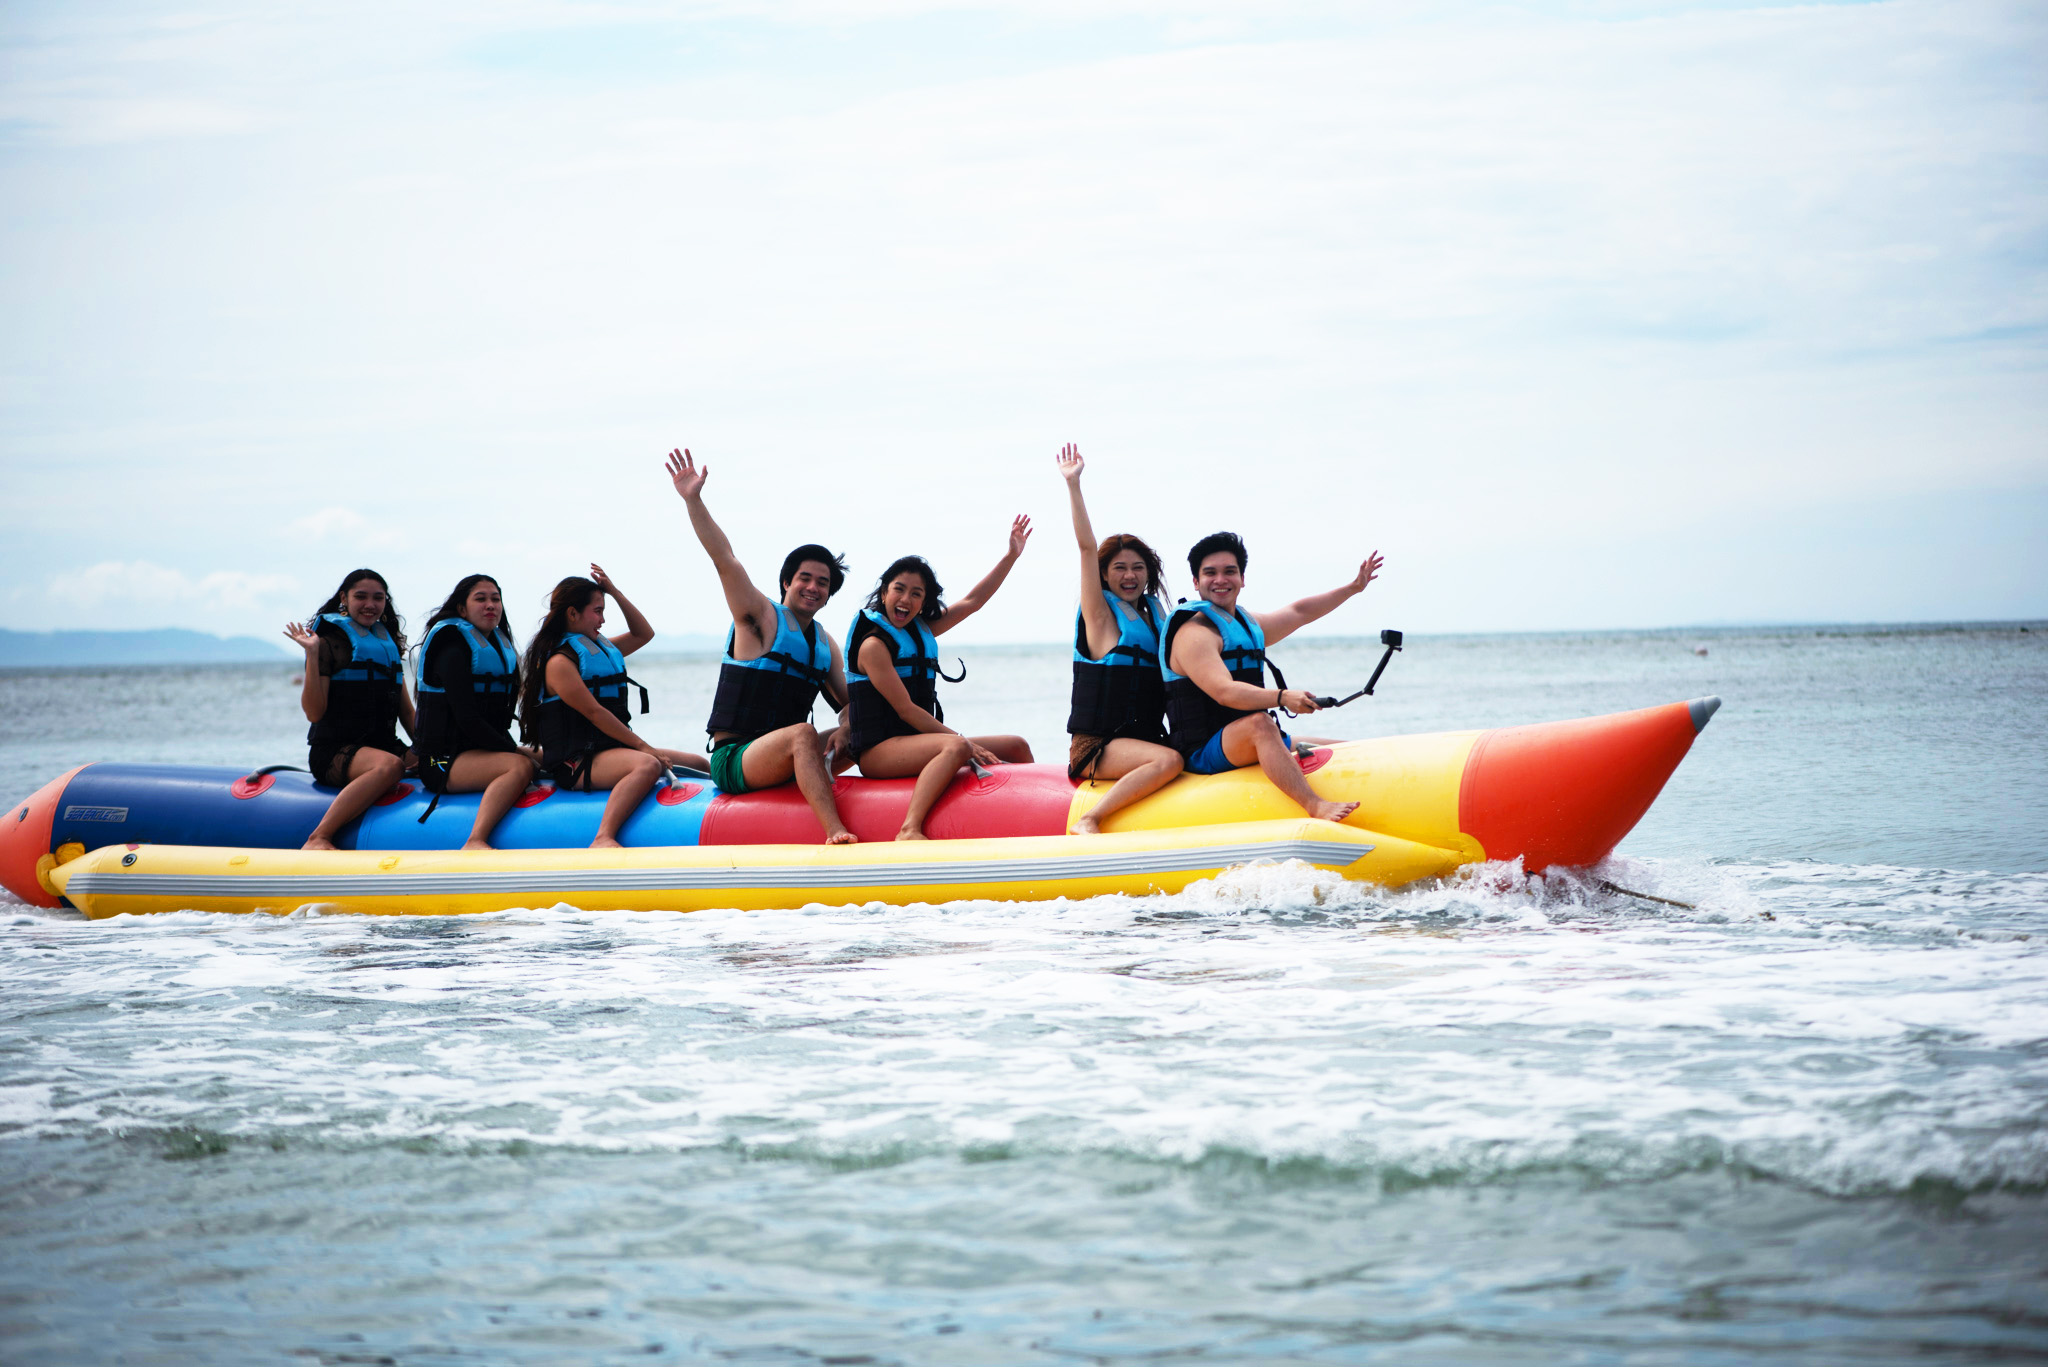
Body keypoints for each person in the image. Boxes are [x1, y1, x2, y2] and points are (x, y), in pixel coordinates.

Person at [665, 447, 857, 844]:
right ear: (786, 582)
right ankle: (834, 831)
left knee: (865, 731)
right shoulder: (759, 618)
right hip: (736, 758)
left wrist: (848, 725)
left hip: (784, 758)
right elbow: (725, 559)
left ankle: (886, 807)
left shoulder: (824, 643)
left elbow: (849, 704)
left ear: (828, 595)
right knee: (802, 733)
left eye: (823, 583)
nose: (813, 587)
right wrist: (693, 500)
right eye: (805, 577)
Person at [1160, 531, 1385, 824]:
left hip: (1248, 741)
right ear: (1195, 582)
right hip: (1202, 750)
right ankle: (1315, 806)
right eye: (1210, 573)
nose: (1220, 580)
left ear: (1242, 579)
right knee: (1260, 723)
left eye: (1230, 572)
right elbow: (1224, 692)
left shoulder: (1245, 624)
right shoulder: (1194, 634)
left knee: (1347, 747)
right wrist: (1282, 697)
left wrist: (1353, 588)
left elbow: (1299, 612)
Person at [844, 527, 1035, 841]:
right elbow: (906, 710)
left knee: (1016, 744)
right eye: (899, 589)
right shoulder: (873, 646)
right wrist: (963, 743)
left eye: (916, 593)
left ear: (923, 602)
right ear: (884, 593)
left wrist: (1011, 555)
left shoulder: (921, 632)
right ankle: (909, 828)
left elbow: (972, 602)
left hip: (915, 743)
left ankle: (1026, 811)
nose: (906, 599)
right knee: (957, 745)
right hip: (878, 752)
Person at [519, 566, 706, 849]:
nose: (603, 620)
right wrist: (645, 748)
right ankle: (603, 836)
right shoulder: (560, 663)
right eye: (597, 611)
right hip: (576, 761)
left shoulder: (600, 648)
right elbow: (594, 712)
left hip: (607, 751)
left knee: (699, 763)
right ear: (572, 614)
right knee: (647, 765)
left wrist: (614, 591)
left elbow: (644, 633)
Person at [1054, 444, 1183, 834]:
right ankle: (1090, 818)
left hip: (1146, 739)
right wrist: (1074, 484)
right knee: (1170, 762)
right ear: (1105, 575)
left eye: (1138, 568)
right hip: (1097, 748)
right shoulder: (1101, 618)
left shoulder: (1159, 621)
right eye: (1120, 568)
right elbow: (1086, 548)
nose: (1130, 575)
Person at [283, 568, 415, 851]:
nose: (370, 604)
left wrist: (434, 751)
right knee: (390, 766)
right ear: (344, 598)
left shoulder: (385, 645)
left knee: (437, 759)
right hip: (335, 753)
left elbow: (407, 714)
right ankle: (319, 837)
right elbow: (314, 713)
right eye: (361, 596)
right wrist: (312, 654)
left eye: (378, 598)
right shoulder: (327, 644)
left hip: (384, 747)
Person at [411, 574, 539, 850]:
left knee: (544, 756)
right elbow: (467, 718)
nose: (490, 605)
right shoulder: (452, 648)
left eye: (495, 599)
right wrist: (513, 751)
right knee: (521, 765)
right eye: (480, 599)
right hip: (441, 761)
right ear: (461, 609)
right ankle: (476, 839)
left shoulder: (497, 646)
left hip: (482, 753)